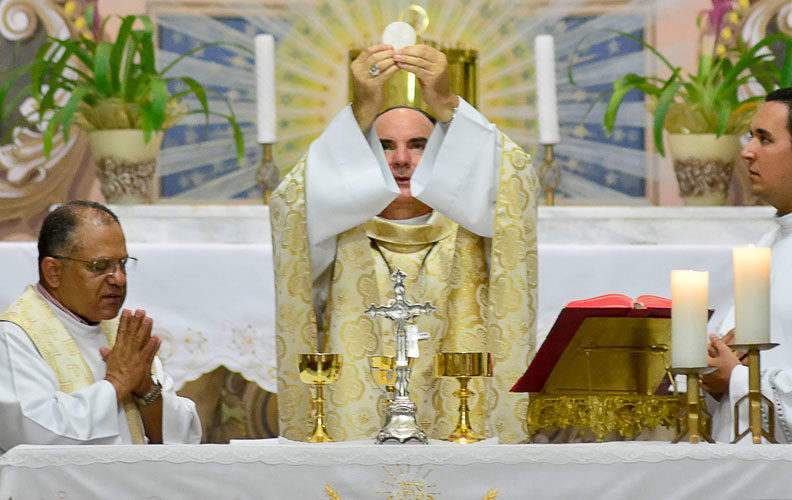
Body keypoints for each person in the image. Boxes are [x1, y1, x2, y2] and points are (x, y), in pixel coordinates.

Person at [270, 43, 538, 442]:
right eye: (384, 145)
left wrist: (447, 102)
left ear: (446, 154)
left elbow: (516, 178)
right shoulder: (339, 226)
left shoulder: (475, 225)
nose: (400, 160)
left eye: (418, 145)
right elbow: (289, 201)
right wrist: (361, 109)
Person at [0, 201, 201, 451]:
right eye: (100, 266)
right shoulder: (14, 335)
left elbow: (185, 437)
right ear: (53, 272)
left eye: (123, 264)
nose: (119, 279)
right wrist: (116, 384)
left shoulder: (122, 333)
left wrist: (146, 390)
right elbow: (34, 435)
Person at [702, 87, 792, 443]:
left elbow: (737, 374)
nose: (746, 151)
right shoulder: (769, 247)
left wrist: (735, 380)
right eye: (750, 136)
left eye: (764, 139)